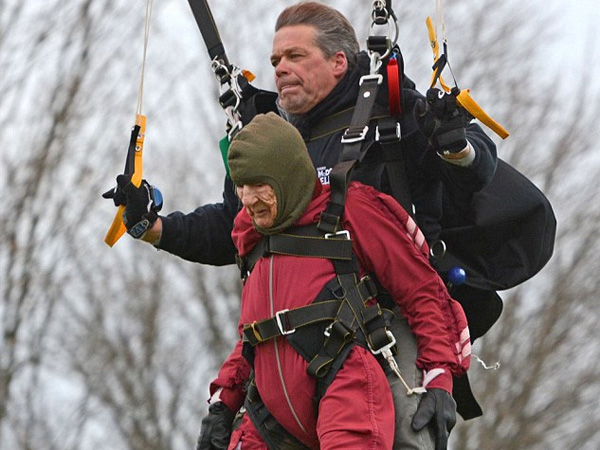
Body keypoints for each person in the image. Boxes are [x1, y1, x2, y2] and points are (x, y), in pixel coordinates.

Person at [104, 2, 497, 449]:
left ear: (338, 61)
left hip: (385, 321)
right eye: (275, 60)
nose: (280, 69)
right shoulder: (272, 141)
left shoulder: (392, 113)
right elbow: (233, 230)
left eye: (295, 57)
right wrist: (152, 226)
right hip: (290, 333)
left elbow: (474, 173)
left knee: (403, 434)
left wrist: (456, 143)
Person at [198, 112, 468, 450]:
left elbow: (422, 290)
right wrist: (223, 402)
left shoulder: (351, 210)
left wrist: (439, 376)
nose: (249, 199)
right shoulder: (254, 241)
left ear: (286, 175)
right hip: (269, 417)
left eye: (259, 185)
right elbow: (254, 336)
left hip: (346, 390)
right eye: (242, 186)